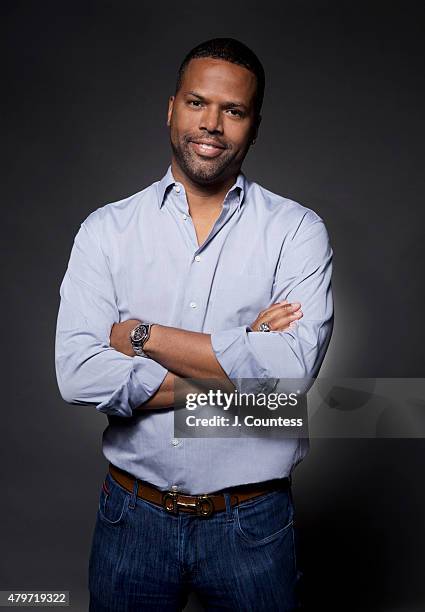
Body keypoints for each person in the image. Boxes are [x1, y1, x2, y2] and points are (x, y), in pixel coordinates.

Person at [55, 37, 333, 611]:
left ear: (254, 125)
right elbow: (78, 374)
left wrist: (140, 336)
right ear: (171, 108)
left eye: (234, 111)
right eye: (197, 103)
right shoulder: (106, 231)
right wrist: (239, 361)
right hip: (131, 519)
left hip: (252, 525)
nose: (212, 124)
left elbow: (288, 384)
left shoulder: (297, 232)